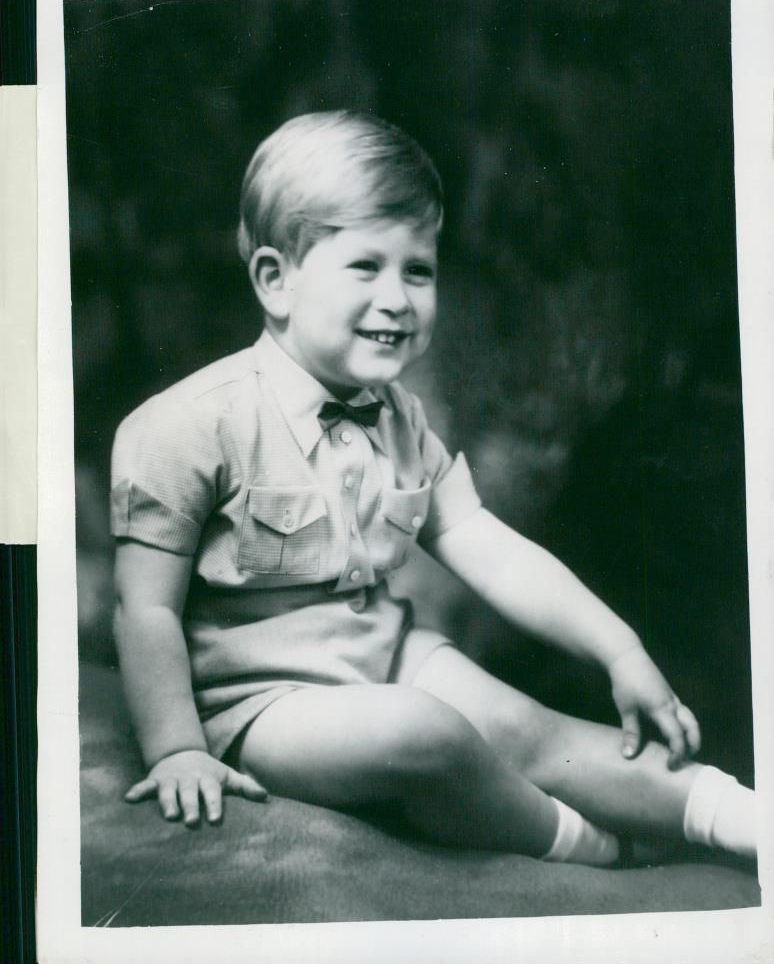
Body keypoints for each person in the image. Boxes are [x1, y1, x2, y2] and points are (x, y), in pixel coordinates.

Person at [110, 110, 755, 865]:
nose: (399, 297)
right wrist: (177, 749)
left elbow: (492, 548)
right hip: (260, 706)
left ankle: (739, 817)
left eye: (418, 269)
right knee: (423, 730)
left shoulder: (401, 418)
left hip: (382, 654)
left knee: (529, 727)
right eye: (366, 266)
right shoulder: (186, 425)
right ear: (275, 280)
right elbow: (145, 608)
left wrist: (620, 650)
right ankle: (586, 847)